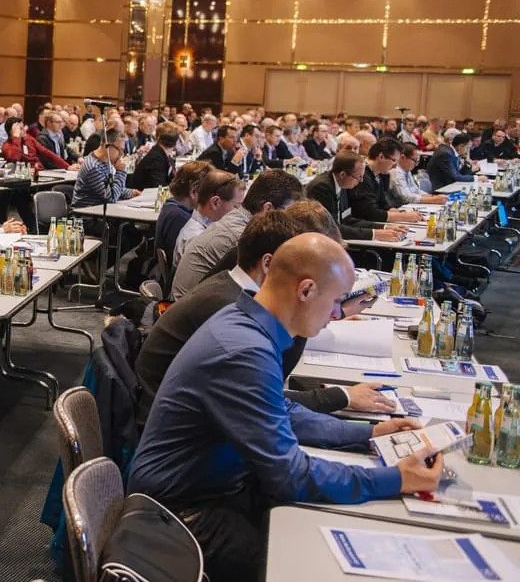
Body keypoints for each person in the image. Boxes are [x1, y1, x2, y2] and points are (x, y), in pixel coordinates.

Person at [128, 233, 441, 581]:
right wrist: (396, 478)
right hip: (179, 514)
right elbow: (290, 475)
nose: (336, 314)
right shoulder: (244, 350)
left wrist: (369, 434)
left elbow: (282, 412)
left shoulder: (246, 323)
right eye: (335, 301)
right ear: (306, 290)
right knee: (311, 567)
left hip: (208, 489)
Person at [138, 208, 391, 425]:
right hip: (178, 428)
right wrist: (340, 397)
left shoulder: (233, 289)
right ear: (269, 263)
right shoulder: (229, 307)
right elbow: (265, 400)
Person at [171, 170, 303, 300]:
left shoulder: (237, 218)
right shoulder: (243, 237)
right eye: (289, 212)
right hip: (196, 309)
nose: (291, 220)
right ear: (268, 209)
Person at [306, 151, 408, 243]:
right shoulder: (321, 188)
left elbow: (347, 219)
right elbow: (331, 228)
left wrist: (384, 227)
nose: (361, 181)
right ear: (342, 174)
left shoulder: (343, 183)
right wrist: (375, 234)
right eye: (358, 176)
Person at [153, 160, 209, 279]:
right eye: (209, 192)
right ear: (194, 192)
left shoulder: (172, 207)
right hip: (178, 278)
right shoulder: (180, 218)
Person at [174, 171, 241, 266]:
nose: (238, 212)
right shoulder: (197, 239)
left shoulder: (206, 226)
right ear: (215, 202)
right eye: (236, 206)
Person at [350, 138, 425, 225]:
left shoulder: (378, 173)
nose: (395, 167)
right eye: (394, 161)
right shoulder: (363, 176)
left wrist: (401, 213)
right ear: (381, 157)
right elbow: (370, 213)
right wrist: (404, 217)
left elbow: (383, 205)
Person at [387, 143, 448, 207]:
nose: (416, 165)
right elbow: (406, 197)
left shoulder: (406, 170)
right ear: (403, 157)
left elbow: (416, 190)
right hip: (400, 207)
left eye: (417, 161)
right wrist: (433, 200)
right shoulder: (395, 172)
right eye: (414, 160)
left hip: (410, 205)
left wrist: (434, 197)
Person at [1, 117, 67, 171]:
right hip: (25, 175)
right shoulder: (7, 146)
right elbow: (15, 158)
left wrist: (67, 166)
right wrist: (16, 137)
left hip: (40, 171)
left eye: (23, 127)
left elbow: (46, 152)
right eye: (20, 129)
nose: (24, 130)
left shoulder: (29, 139)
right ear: (12, 132)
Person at [129, 121, 179, 189]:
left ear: (157, 137)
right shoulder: (156, 158)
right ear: (176, 141)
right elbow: (159, 187)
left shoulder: (163, 155)